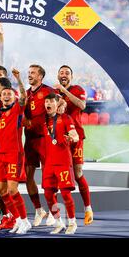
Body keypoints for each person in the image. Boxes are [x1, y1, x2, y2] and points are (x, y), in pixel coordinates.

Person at [54, 65, 93, 225]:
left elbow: (82, 105)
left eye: (67, 73)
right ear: (57, 75)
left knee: (77, 172)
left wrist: (64, 91)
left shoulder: (77, 89)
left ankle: (88, 209)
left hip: (76, 137)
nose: (64, 75)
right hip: (59, 138)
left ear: (71, 76)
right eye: (61, 73)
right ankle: (55, 215)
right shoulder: (53, 92)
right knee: (56, 173)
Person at [0, 69, 31, 234]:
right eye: (4, 94)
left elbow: (24, 97)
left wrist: (18, 78)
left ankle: (24, 221)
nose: (7, 96)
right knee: (1, 191)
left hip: (14, 154)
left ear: (13, 96)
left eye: (9, 93)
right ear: (0, 98)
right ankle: (17, 219)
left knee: (12, 190)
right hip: (1, 155)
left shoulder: (17, 109)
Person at [24, 64, 57, 226]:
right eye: (29, 72)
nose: (29, 75)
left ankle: (53, 210)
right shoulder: (26, 93)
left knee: (48, 176)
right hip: (29, 139)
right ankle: (39, 210)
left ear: (40, 76)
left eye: (33, 73)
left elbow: (60, 107)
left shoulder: (48, 91)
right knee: (28, 175)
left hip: (44, 139)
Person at [42, 93, 79, 234]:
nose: (48, 103)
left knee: (65, 194)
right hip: (49, 163)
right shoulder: (44, 120)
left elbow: (74, 134)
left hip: (63, 162)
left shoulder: (65, 118)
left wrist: (73, 137)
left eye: (51, 101)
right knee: (48, 194)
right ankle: (58, 222)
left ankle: (72, 223)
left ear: (57, 104)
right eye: (46, 101)